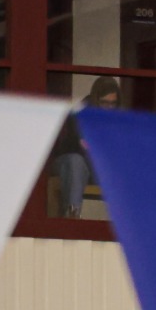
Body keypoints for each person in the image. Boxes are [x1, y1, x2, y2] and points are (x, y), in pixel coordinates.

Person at [55, 76, 120, 218]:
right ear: (96, 99)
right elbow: (81, 147)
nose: (109, 107)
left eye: (113, 104)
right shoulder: (81, 113)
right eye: (105, 103)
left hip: (99, 168)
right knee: (76, 162)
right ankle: (72, 215)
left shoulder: (117, 120)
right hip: (72, 163)